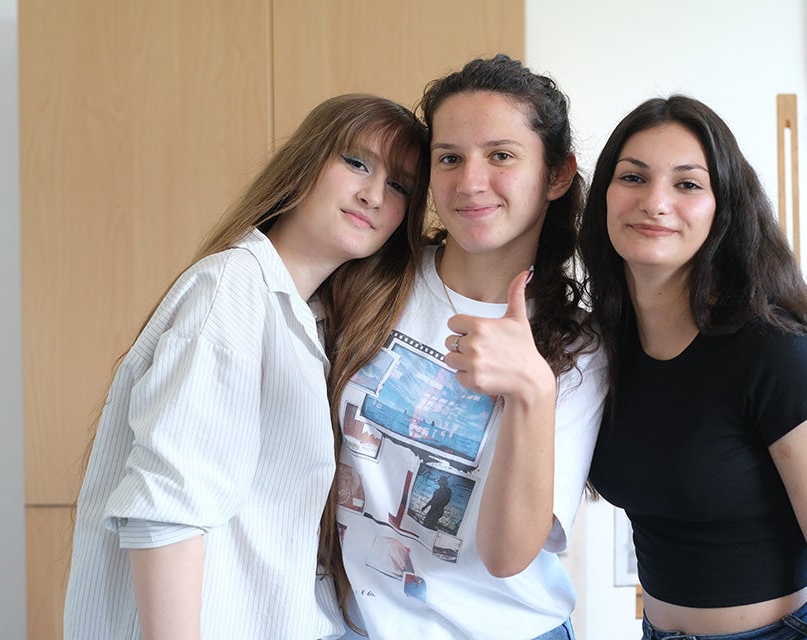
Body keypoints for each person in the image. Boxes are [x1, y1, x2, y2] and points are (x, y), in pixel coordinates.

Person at [63, 94, 429, 640]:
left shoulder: (309, 317)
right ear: (307, 163)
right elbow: (166, 510)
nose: (373, 194)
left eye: (398, 186)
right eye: (356, 162)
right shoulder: (232, 288)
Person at [579, 95, 807, 640]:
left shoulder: (772, 352)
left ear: (723, 207)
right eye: (633, 177)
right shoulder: (603, 347)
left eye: (687, 184)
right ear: (604, 194)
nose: (655, 201)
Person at [331, 55, 607, 639]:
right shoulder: (373, 281)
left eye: (501, 156)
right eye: (449, 158)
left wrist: (532, 389)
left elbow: (509, 555)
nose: (470, 182)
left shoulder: (579, 348)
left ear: (556, 175)